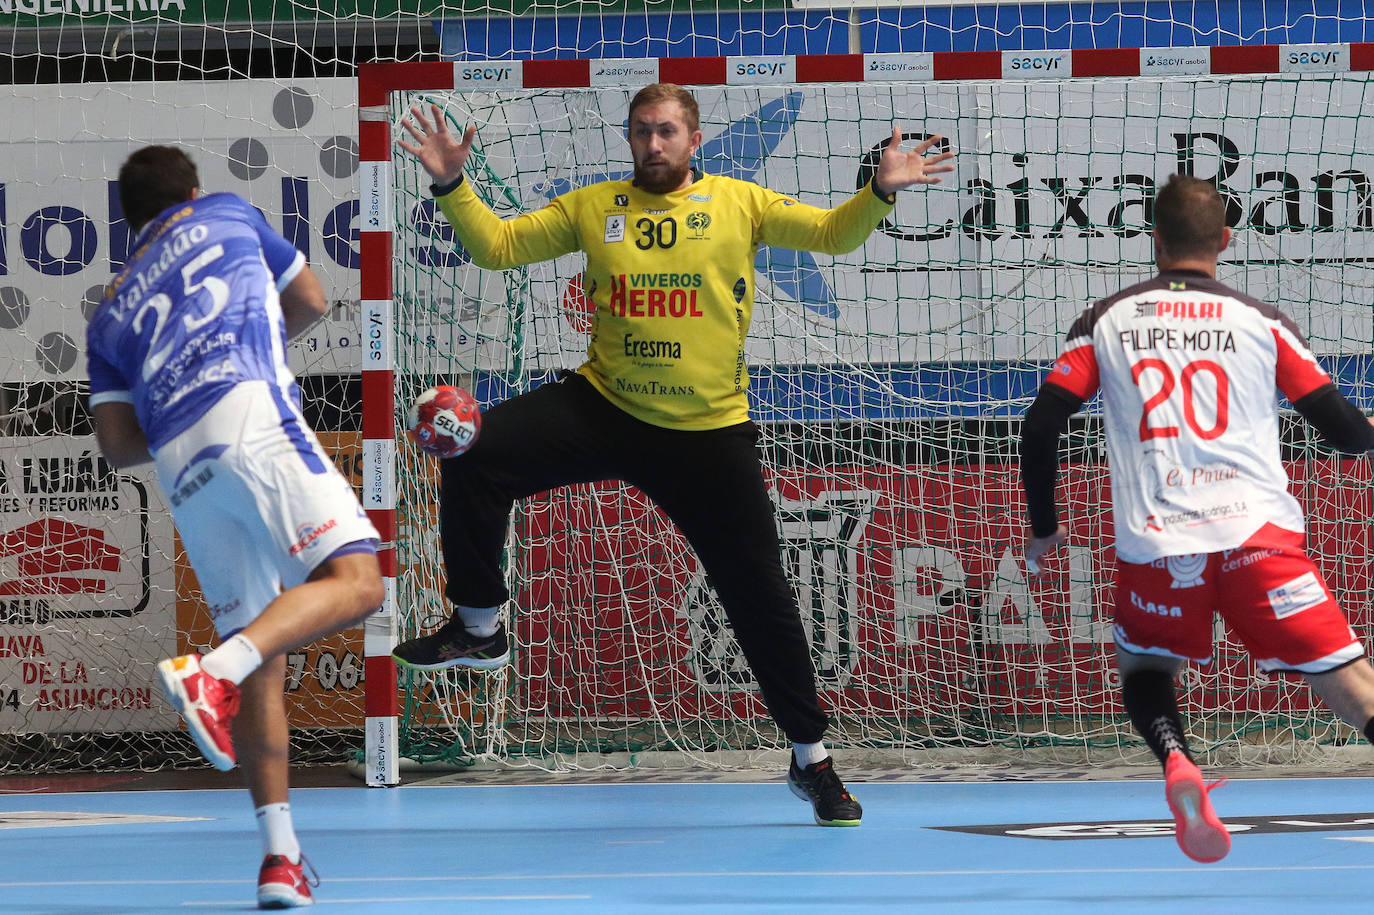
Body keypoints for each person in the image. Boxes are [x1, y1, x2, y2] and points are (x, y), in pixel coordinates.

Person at [394, 83, 954, 826]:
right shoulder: (595, 207)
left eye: (665, 132)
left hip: (708, 432)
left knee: (763, 598)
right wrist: (451, 182)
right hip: (605, 405)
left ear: (694, 141)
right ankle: (478, 624)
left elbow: (831, 236)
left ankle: (812, 760)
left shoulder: (740, 202)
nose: (652, 145)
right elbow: (497, 247)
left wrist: (879, 190)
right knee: (473, 450)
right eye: (640, 132)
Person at [1020, 174, 1374, 863]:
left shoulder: (1106, 320)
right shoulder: (1263, 322)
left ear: (1154, 240)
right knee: (1354, 689)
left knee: (1143, 663)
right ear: (1226, 241)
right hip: (1257, 540)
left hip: (1159, 543)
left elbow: (1041, 425)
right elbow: (1344, 432)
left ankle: (1178, 761)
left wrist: (1043, 525)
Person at [86, 145, 384, 908]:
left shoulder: (112, 308)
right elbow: (312, 300)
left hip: (182, 464)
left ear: (131, 222)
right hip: (249, 408)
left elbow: (119, 445)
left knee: (267, 656)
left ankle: (280, 858)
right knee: (358, 583)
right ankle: (208, 672)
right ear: (190, 190)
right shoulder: (226, 210)